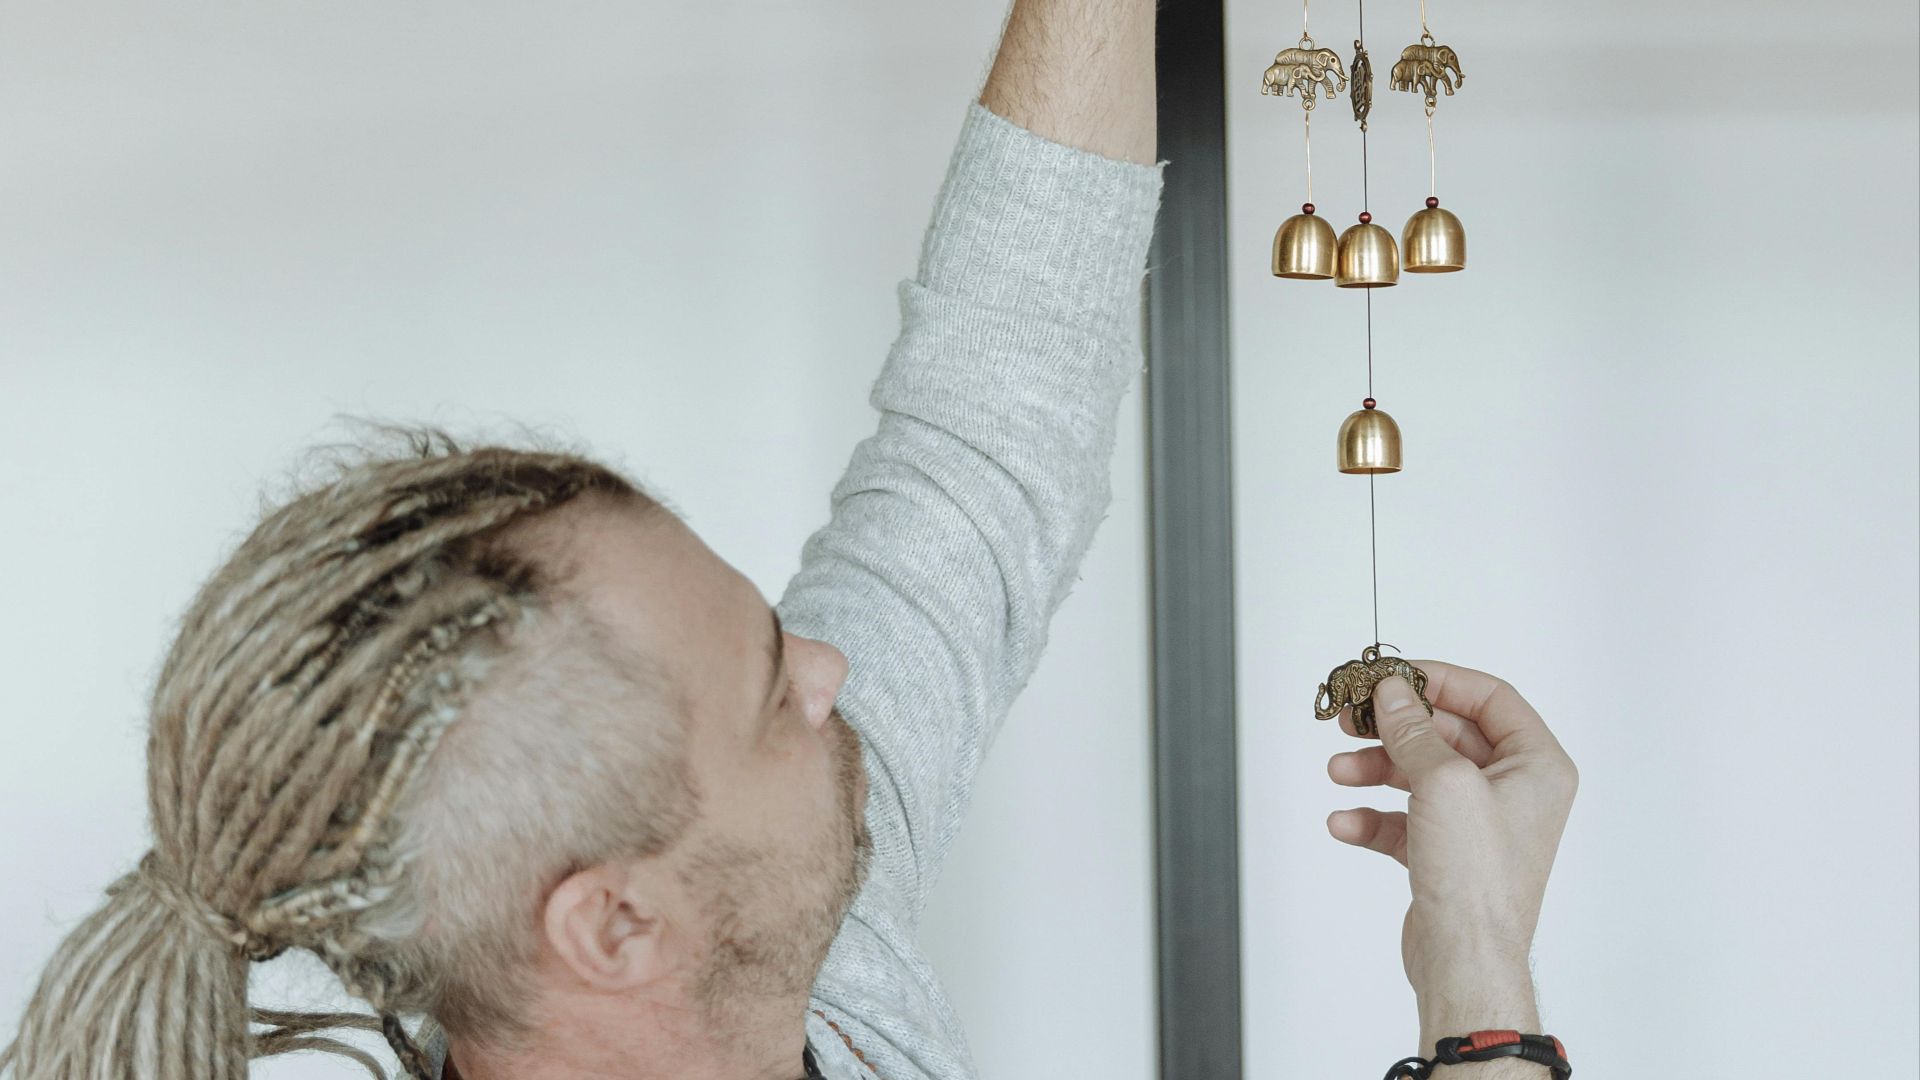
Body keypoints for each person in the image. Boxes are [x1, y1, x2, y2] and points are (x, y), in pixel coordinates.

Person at [0, 0, 1578, 1077]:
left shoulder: (789, 947)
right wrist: (1486, 999)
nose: (832, 670)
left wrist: (1464, 942)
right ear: (615, 922)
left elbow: (979, 439)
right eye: (770, 691)